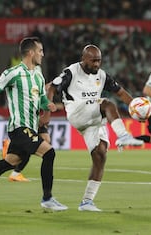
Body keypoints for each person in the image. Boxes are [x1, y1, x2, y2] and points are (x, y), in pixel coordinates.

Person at [0, 37, 68, 211]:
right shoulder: (13, 73)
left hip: (30, 127)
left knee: (10, 162)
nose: (43, 54)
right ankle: (47, 198)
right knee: (49, 153)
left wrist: (49, 105)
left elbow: (42, 100)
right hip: (18, 127)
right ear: (31, 53)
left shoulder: (38, 73)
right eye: (40, 51)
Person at [47, 44, 144, 212]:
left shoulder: (101, 75)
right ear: (84, 58)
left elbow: (120, 92)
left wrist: (136, 107)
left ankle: (87, 202)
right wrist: (47, 106)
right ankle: (123, 135)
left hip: (93, 120)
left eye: (99, 60)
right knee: (107, 104)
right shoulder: (71, 72)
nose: (97, 64)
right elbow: (51, 87)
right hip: (77, 112)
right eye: (93, 61)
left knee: (100, 154)